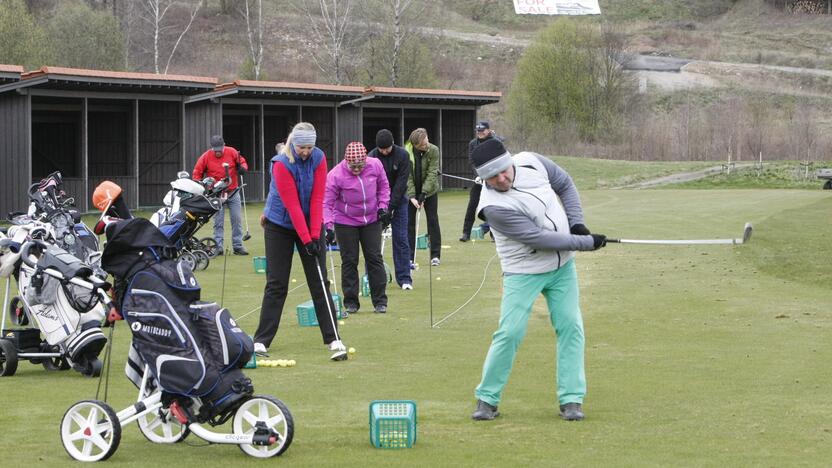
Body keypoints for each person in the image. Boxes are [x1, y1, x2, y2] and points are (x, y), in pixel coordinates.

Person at [469, 138, 607, 422]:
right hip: (523, 272)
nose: (502, 178)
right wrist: (584, 242)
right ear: (484, 180)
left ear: (510, 160)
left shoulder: (531, 160)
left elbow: (565, 184)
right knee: (510, 332)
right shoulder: (492, 206)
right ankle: (487, 398)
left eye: (504, 170)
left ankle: (571, 399)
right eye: (492, 177)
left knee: (571, 326)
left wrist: (577, 221)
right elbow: (538, 238)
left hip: (562, 268)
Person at [254, 122, 348, 361]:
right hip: (279, 225)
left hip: (309, 224)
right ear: (292, 144)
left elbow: (318, 198)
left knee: (319, 281)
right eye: (301, 147)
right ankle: (261, 341)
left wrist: (315, 234)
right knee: (277, 283)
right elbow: (292, 205)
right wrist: (306, 238)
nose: (305, 152)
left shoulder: (319, 158)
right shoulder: (281, 163)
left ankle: (333, 338)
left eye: (309, 147)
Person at [324, 141, 391, 314]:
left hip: (371, 218)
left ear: (366, 160)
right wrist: (328, 226)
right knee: (349, 260)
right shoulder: (335, 175)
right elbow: (327, 203)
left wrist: (383, 207)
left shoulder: (375, 165)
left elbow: (384, 187)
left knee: (374, 258)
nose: (356, 169)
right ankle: (351, 302)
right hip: (345, 221)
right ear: (346, 161)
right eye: (353, 166)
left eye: (360, 165)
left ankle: (380, 301)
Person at [368, 129, 413, 290]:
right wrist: (382, 208)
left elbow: (401, 184)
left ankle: (405, 278)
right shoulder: (372, 156)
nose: (384, 152)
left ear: (392, 144)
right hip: (377, 203)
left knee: (401, 239)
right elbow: (372, 184)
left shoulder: (402, 155)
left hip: (399, 202)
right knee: (372, 242)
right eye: (381, 149)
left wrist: (391, 207)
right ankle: (371, 277)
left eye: (386, 149)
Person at [192, 135, 249, 255]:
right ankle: (218, 246)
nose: (218, 152)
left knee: (236, 219)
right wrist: (199, 184)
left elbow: (242, 162)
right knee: (218, 221)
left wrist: (242, 168)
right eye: (215, 149)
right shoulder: (206, 156)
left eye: (220, 149)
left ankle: (237, 246)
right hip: (216, 193)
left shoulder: (232, 152)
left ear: (224, 145)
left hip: (233, 192)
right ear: (212, 148)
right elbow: (197, 172)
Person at [405, 128, 442, 268]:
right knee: (409, 223)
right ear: (415, 145)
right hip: (412, 193)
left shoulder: (433, 150)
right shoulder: (407, 153)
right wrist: (413, 196)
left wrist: (424, 192)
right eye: (423, 145)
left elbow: (433, 172)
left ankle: (435, 255)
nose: (426, 146)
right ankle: (409, 256)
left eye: (427, 142)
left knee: (433, 220)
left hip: (430, 191)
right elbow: (407, 176)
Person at [460, 121, 499, 242]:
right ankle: (466, 233)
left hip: (493, 179)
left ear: (488, 130)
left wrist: (489, 176)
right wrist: (478, 175)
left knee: (493, 206)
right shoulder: (473, 143)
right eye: (478, 131)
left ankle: (494, 234)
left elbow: (497, 160)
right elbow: (472, 161)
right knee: (472, 205)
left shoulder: (495, 142)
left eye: (482, 131)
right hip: (479, 180)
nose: (480, 133)